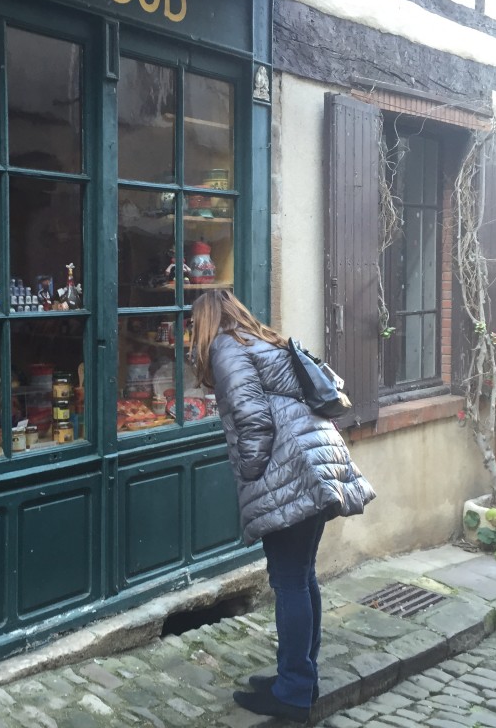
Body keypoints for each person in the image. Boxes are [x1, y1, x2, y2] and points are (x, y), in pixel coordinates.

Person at [189, 289, 376, 723]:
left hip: (291, 474)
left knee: (289, 581)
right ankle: (298, 677)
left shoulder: (225, 348)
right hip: (317, 464)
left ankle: (292, 691)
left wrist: (254, 476)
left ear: (205, 323)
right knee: (301, 575)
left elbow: (252, 418)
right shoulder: (261, 341)